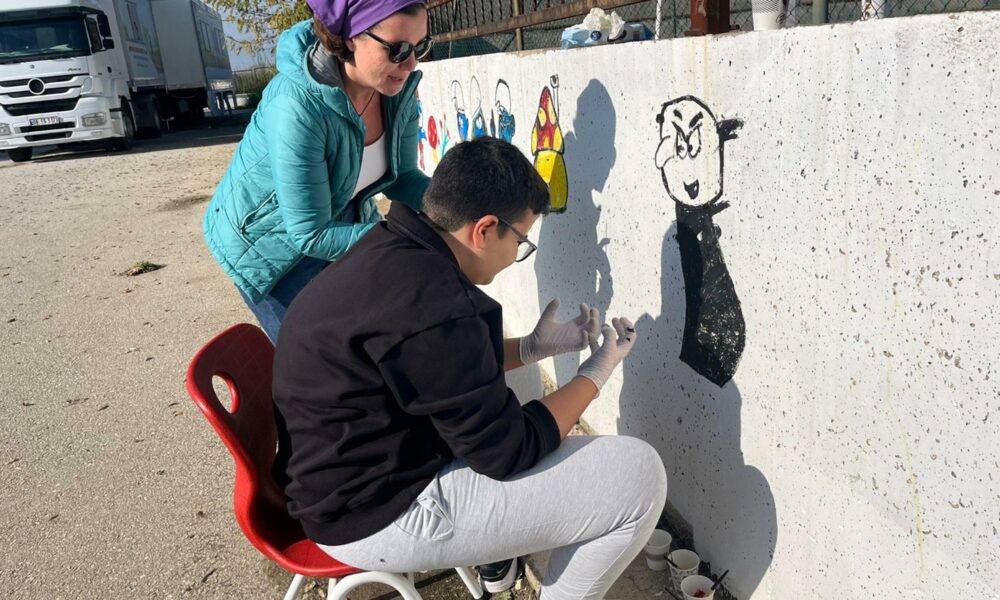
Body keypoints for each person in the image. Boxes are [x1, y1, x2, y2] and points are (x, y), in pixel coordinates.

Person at [272, 137, 668, 598]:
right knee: (638, 477)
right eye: (521, 240)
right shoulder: (437, 302)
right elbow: (510, 451)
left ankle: (496, 555)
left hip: (342, 472)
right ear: (485, 229)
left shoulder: (393, 248)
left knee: (517, 374)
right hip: (372, 513)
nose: (517, 253)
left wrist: (531, 349)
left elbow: (433, 362)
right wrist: (595, 374)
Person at [202, 0, 434, 342]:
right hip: (274, 244)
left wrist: (455, 205)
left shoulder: (395, 90)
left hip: (340, 211)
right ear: (351, 37)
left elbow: (403, 179)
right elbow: (310, 234)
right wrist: (407, 239)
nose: (411, 63)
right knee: (324, 359)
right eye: (398, 49)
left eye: (420, 46)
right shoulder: (296, 106)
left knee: (382, 333)